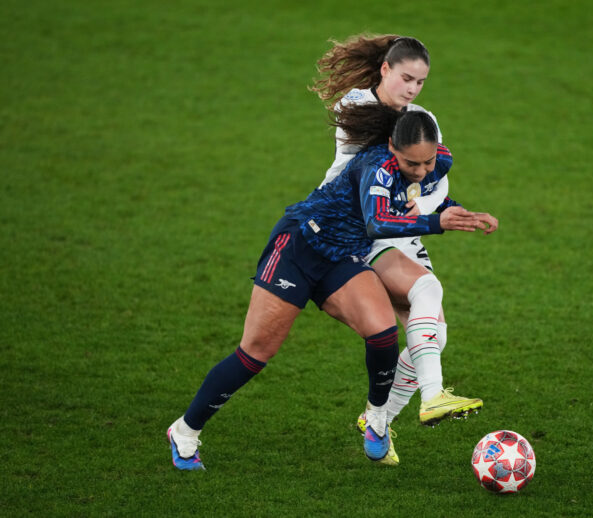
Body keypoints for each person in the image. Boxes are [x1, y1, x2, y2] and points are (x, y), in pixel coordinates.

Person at [167, 109, 491, 471]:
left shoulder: (437, 161)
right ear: (391, 148)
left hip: (341, 258)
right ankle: (185, 431)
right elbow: (377, 222)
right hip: (298, 248)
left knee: (383, 333)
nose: (420, 170)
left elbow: (421, 193)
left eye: (427, 162)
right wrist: (436, 223)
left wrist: (462, 213)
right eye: (411, 163)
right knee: (256, 353)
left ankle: (377, 419)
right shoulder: (377, 167)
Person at [311, 35, 498, 435]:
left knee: (433, 335)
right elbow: (387, 170)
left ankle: (377, 422)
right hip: (356, 226)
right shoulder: (356, 107)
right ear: (384, 69)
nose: (412, 89)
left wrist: (437, 205)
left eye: (420, 82)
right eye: (406, 78)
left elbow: (428, 175)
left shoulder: (421, 118)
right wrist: (431, 210)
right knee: (426, 289)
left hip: (397, 226)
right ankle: (432, 396)